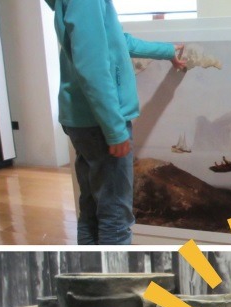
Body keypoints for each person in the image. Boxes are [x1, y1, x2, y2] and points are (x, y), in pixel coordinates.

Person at [44, 0, 187, 245]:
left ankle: (92, 273)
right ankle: (115, 276)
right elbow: (92, 67)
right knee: (115, 217)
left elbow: (116, 41)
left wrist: (166, 51)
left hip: (83, 120)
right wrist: (114, 129)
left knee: (92, 209)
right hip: (100, 123)